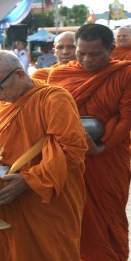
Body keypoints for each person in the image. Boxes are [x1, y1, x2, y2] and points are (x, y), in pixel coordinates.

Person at [0, 50, 88, 260]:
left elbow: (72, 149)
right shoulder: (5, 106)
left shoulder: (53, 98)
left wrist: (28, 180)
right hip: (4, 198)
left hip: (42, 201)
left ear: (20, 75)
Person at [47, 23, 131, 261]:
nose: (87, 60)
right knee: (71, 215)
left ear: (111, 49)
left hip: (108, 156)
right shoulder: (59, 75)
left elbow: (126, 118)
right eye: (81, 53)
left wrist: (101, 147)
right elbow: (50, 116)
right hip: (70, 159)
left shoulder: (125, 73)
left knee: (108, 214)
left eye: (95, 54)